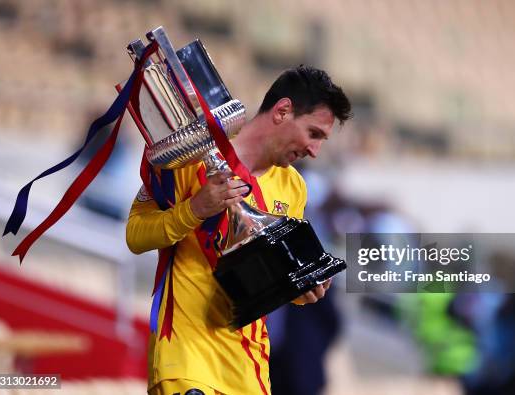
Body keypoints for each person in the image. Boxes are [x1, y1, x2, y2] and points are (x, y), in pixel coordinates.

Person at [126, 65, 352, 395]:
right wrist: (194, 210)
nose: (315, 151)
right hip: (186, 358)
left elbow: (261, 279)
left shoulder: (294, 189)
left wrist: (298, 288)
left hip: (249, 370)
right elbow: (135, 234)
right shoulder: (196, 152)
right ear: (283, 111)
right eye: (313, 133)